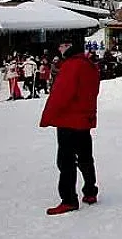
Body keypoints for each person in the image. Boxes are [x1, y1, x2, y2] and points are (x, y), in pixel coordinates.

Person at [39, 37, 101, 215]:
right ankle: (90, 191)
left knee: (66, 161)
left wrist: (48, 116)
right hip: (84, 119)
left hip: (69, 119)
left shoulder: (71, 65)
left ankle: (68, 199)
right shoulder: (89, 64)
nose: (59, 48)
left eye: (62, 45)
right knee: (85, 157)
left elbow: (61, 94)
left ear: (70, 46)